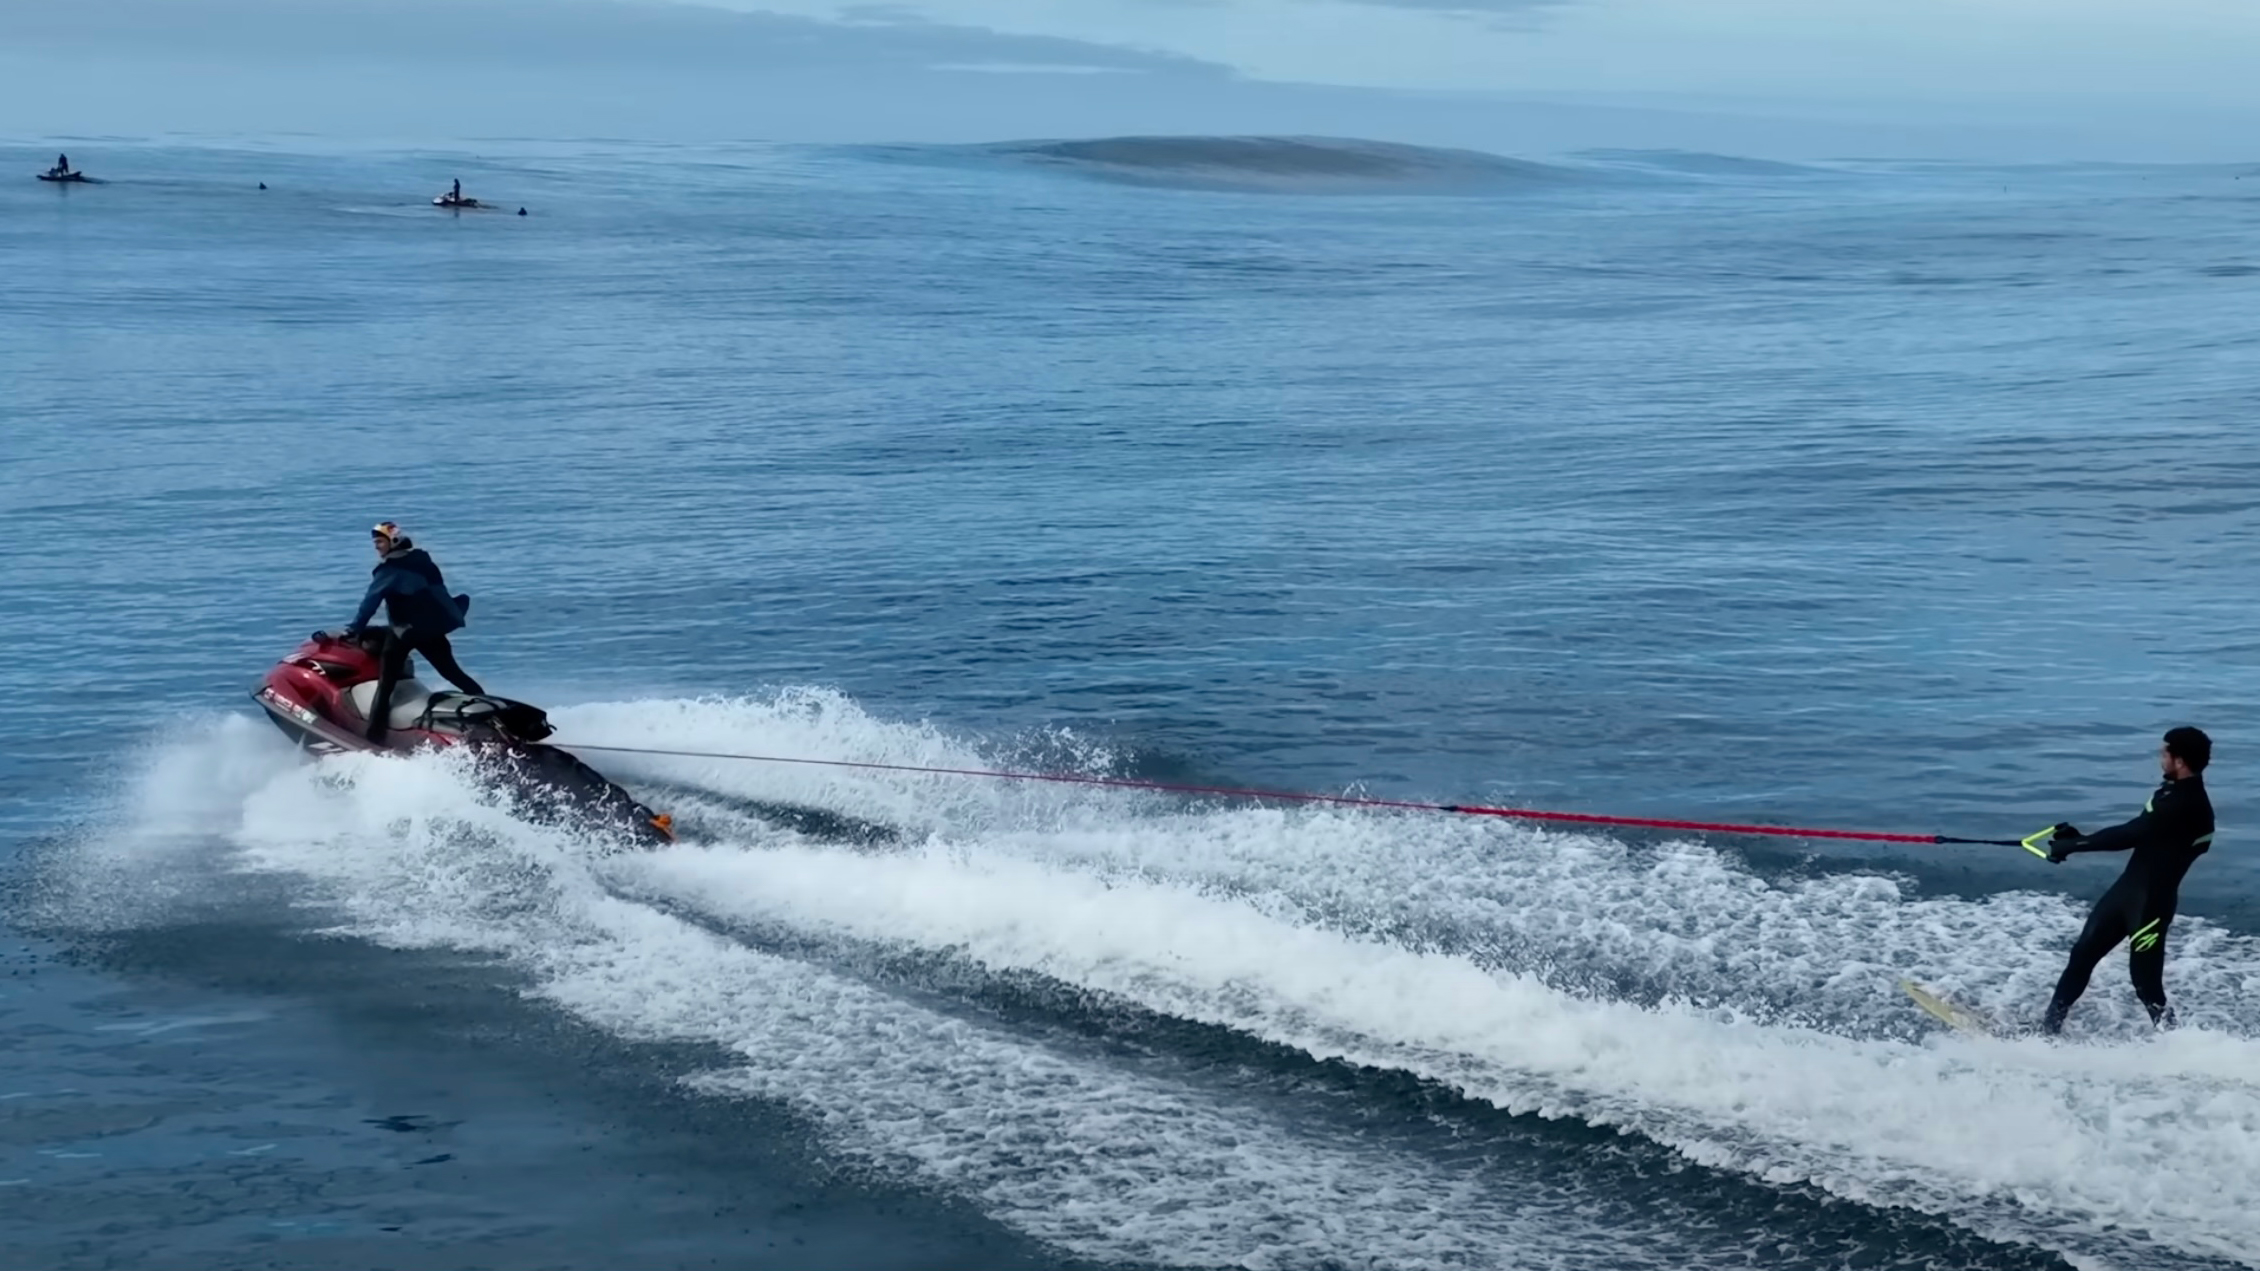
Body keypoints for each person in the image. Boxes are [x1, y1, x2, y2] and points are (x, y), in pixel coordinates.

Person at [2040, 727, 2216, 1034]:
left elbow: (2132, 835)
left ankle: (2176, 1045)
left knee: (2146, 985)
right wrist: (2081, 839)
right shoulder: (2169, 793)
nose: (2160, 758)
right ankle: (2048, 1031)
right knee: (2082, 955)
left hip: (2151, 904)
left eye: (2165, 753)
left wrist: (2075, 845)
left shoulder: (2188, 804)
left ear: (2179, 760)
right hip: (2126, 892)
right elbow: (2138, 829)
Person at [341, 521, 482, 742]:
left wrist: (353, 629)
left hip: (403, 633)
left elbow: (369, 604)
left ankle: (373, 737)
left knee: (386, 685)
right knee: (454, 674)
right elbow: (438, 592)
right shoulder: (422, 560)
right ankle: (489, 708)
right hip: (432, 629)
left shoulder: (389, 570)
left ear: (393, 541)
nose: (376, 546)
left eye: (380, 541)